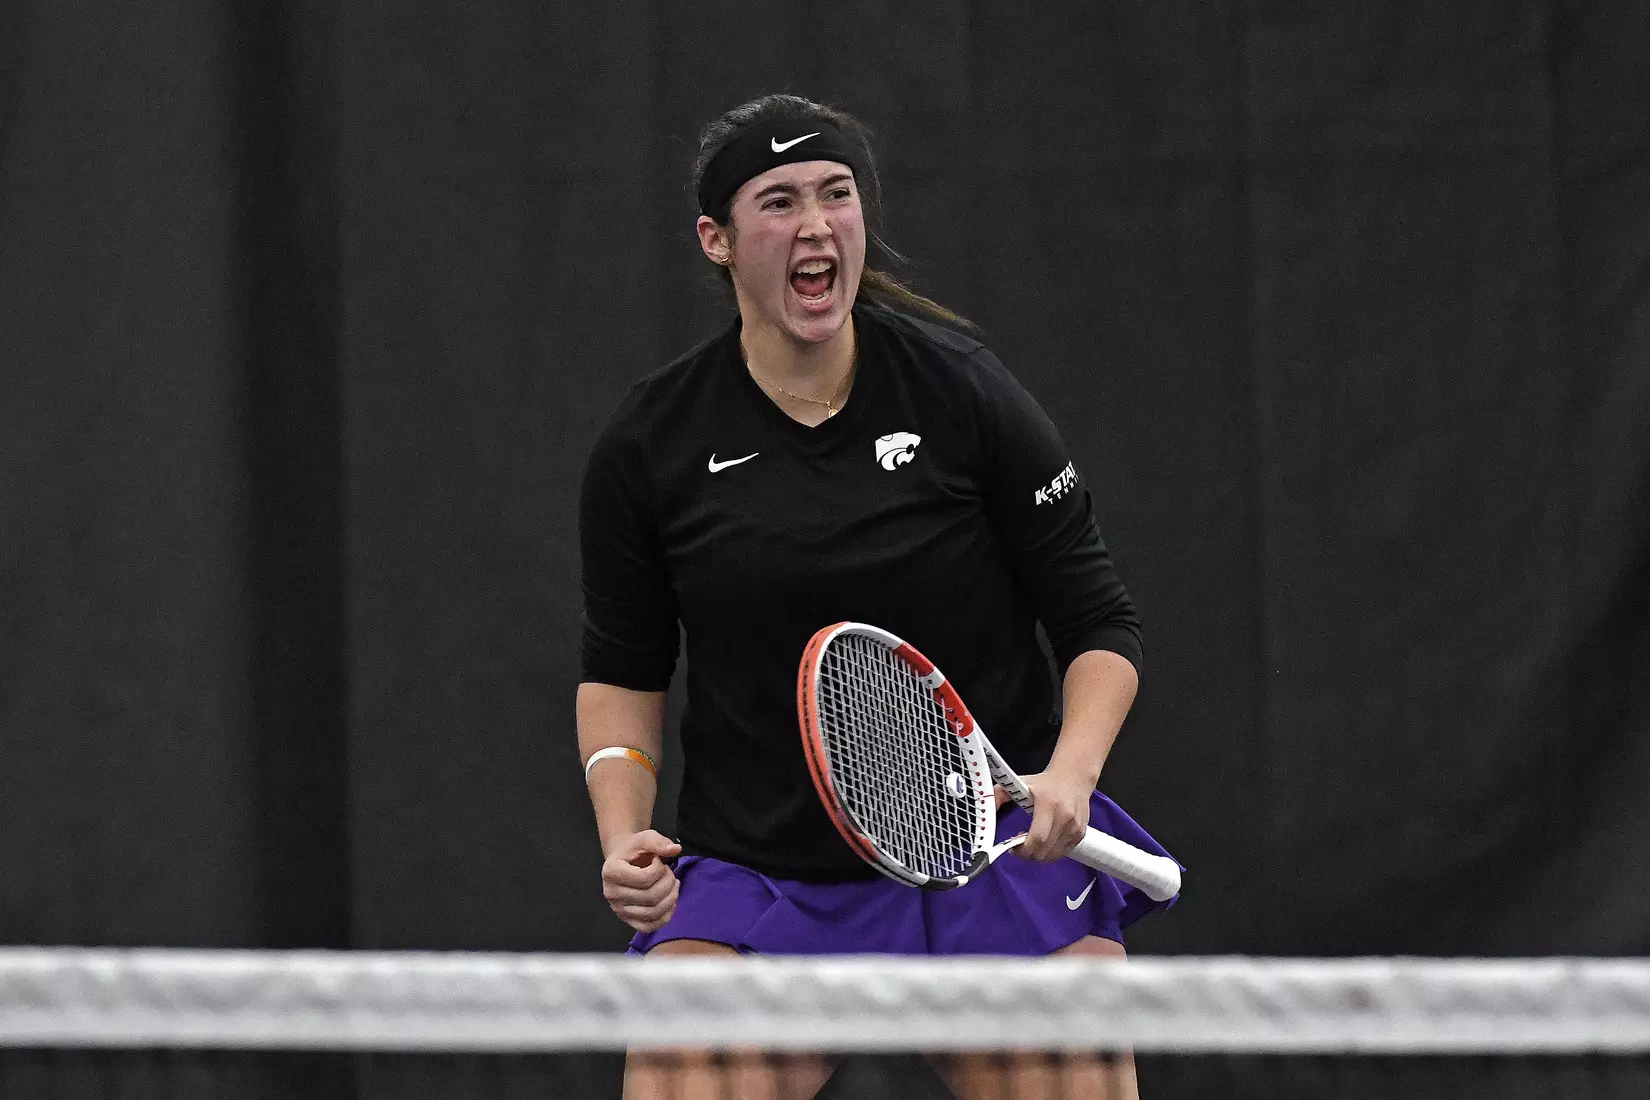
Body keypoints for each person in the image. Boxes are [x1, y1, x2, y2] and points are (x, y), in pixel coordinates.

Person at [577, 93, 1177, 1100]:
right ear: (716, 240)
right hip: (769, 867)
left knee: (1075, 1051)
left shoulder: (963, 391)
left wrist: (1070, 772)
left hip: (989, 844)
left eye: (835, 194)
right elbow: (621, 669)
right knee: (685, 1064)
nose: (814, 225)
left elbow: (1099, 621)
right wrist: (621, 828)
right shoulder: (651, 443)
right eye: (778, 203)